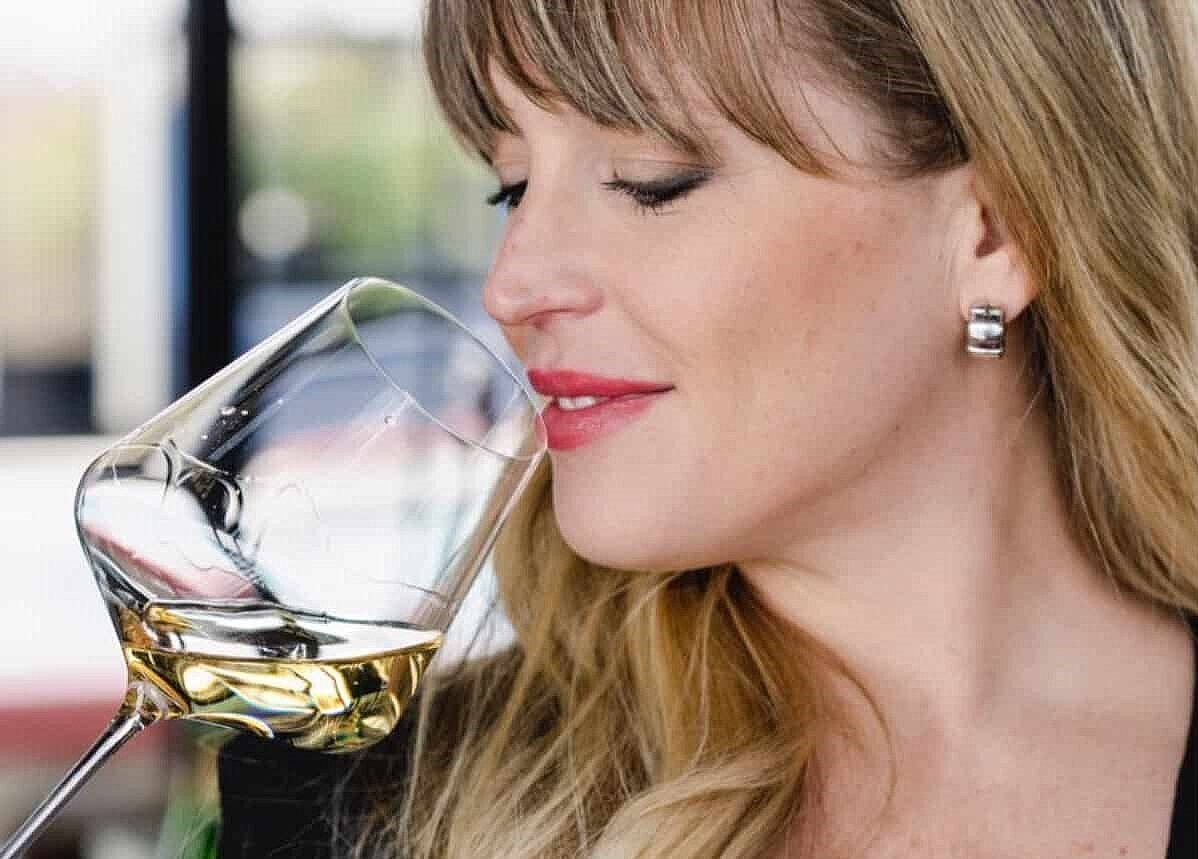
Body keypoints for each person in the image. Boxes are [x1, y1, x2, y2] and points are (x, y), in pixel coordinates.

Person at [217, 1, 1198, 856]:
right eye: (513, 187)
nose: (509, 286)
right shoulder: (366, 811)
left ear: (995, 229)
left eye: (652, 178)